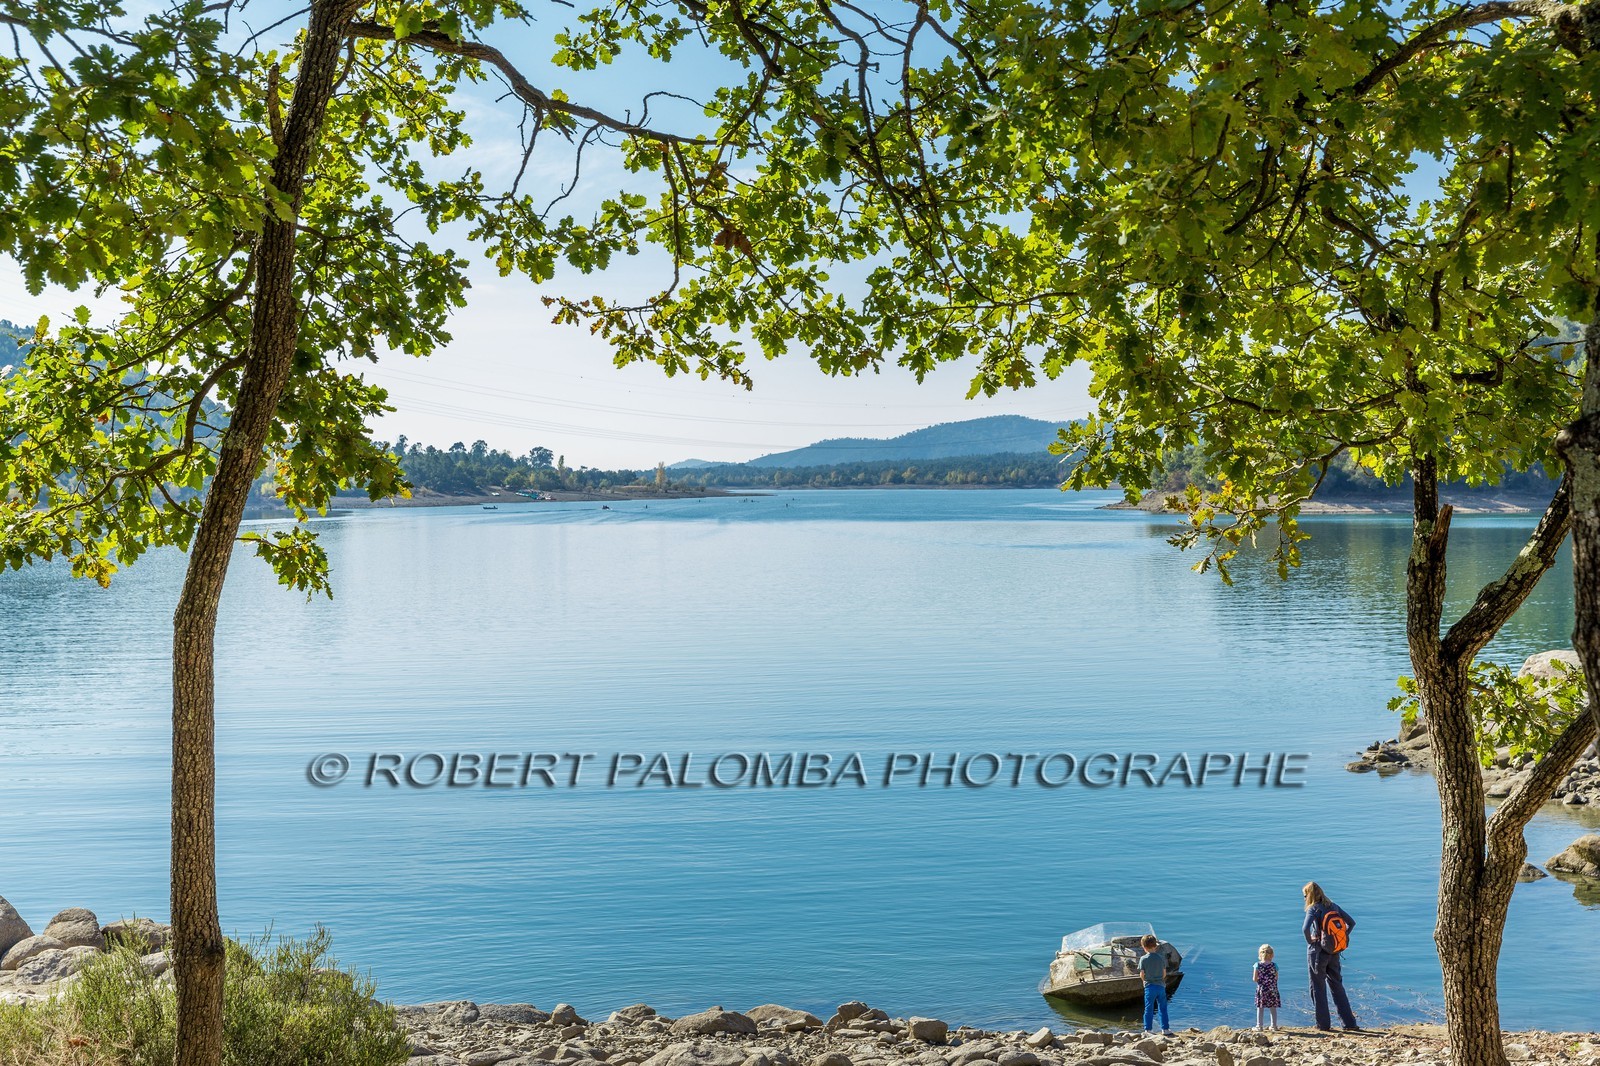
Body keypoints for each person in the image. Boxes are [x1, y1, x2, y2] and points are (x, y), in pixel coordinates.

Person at [1302, 881, 1359, 1031]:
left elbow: (1305, 929)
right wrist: (1341, 937)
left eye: (1304, 895)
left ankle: (1323, 1025)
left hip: (1318, 953)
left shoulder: (1313, 908)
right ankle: (1349, 1023)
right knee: (1337, 986)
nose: (1303, 899)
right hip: (1334, 952)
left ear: (1309, 895)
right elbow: (1352, 923)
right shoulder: (1333, 906)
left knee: (1317, 988)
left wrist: (1311, 941)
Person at [1138, 933, 1173, 1034]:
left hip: (1149, 986)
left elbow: (1142, 974)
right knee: (1163, 1008)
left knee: (1149, 1008)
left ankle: (1148, 1029)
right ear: (1155, 946)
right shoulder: (1161, 958)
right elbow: (1164, 974)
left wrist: (1145, 981)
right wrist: (1159, 980)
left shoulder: (1143, 959)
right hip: (1161, 986)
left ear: (1144, 947)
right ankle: (1165, 1029)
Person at [1253, 944, 1281, 1030]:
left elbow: (1254, 979)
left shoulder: (1257, 965)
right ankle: (1273, 1026)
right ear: (1272, 955)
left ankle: (1259, 1026)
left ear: (1260, 954)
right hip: (1272, 989)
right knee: (1273, 1008)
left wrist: (1262, 981)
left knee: (1260, 1008)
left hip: (1262, 989)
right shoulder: (1274, 965)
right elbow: (1276, 978)